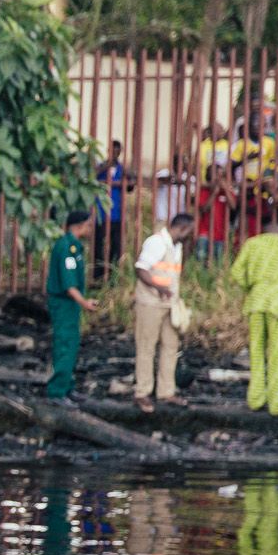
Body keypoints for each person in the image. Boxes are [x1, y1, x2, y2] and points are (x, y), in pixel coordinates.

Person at [229, 207, 278, 418]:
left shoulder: (252, 244)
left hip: (256, 301)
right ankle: (276, 405)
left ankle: (255, 400)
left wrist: (251, 288)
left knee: (256, 350)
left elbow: (236, 271)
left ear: (262, 227)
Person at [132, 211, 195, 413]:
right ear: (182, 229)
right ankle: (142, 392)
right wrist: (159, 288)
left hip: (170, 304)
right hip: (150, 302)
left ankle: (166, 391)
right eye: (189, 232)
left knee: (170, 347)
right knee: (146, 346)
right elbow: (141, 269)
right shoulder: (156, 242)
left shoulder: (176, 247)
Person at [44, 210, 98, 402]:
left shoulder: (74, 247)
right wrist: (84, 302)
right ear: (79, 226)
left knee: (72, 343)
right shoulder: (66, 247)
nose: (91, 229)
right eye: (89, 225)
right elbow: (68, 285)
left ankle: (67, 386)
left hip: (70, 304)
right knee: (65, 344)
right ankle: (57, 391)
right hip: (64, 303)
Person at [94, 140, 130, 276]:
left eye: (117, 151)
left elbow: (131, 186)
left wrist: (129, 175)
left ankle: (112, 273)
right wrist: (106, 166)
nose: (115, 154)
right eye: (113, 151)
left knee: (115, 246)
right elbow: (91, 177)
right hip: (101, 213)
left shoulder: (122, 169)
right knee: (99, 245)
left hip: (117, 214)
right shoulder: (101, 167)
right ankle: (98, 274)